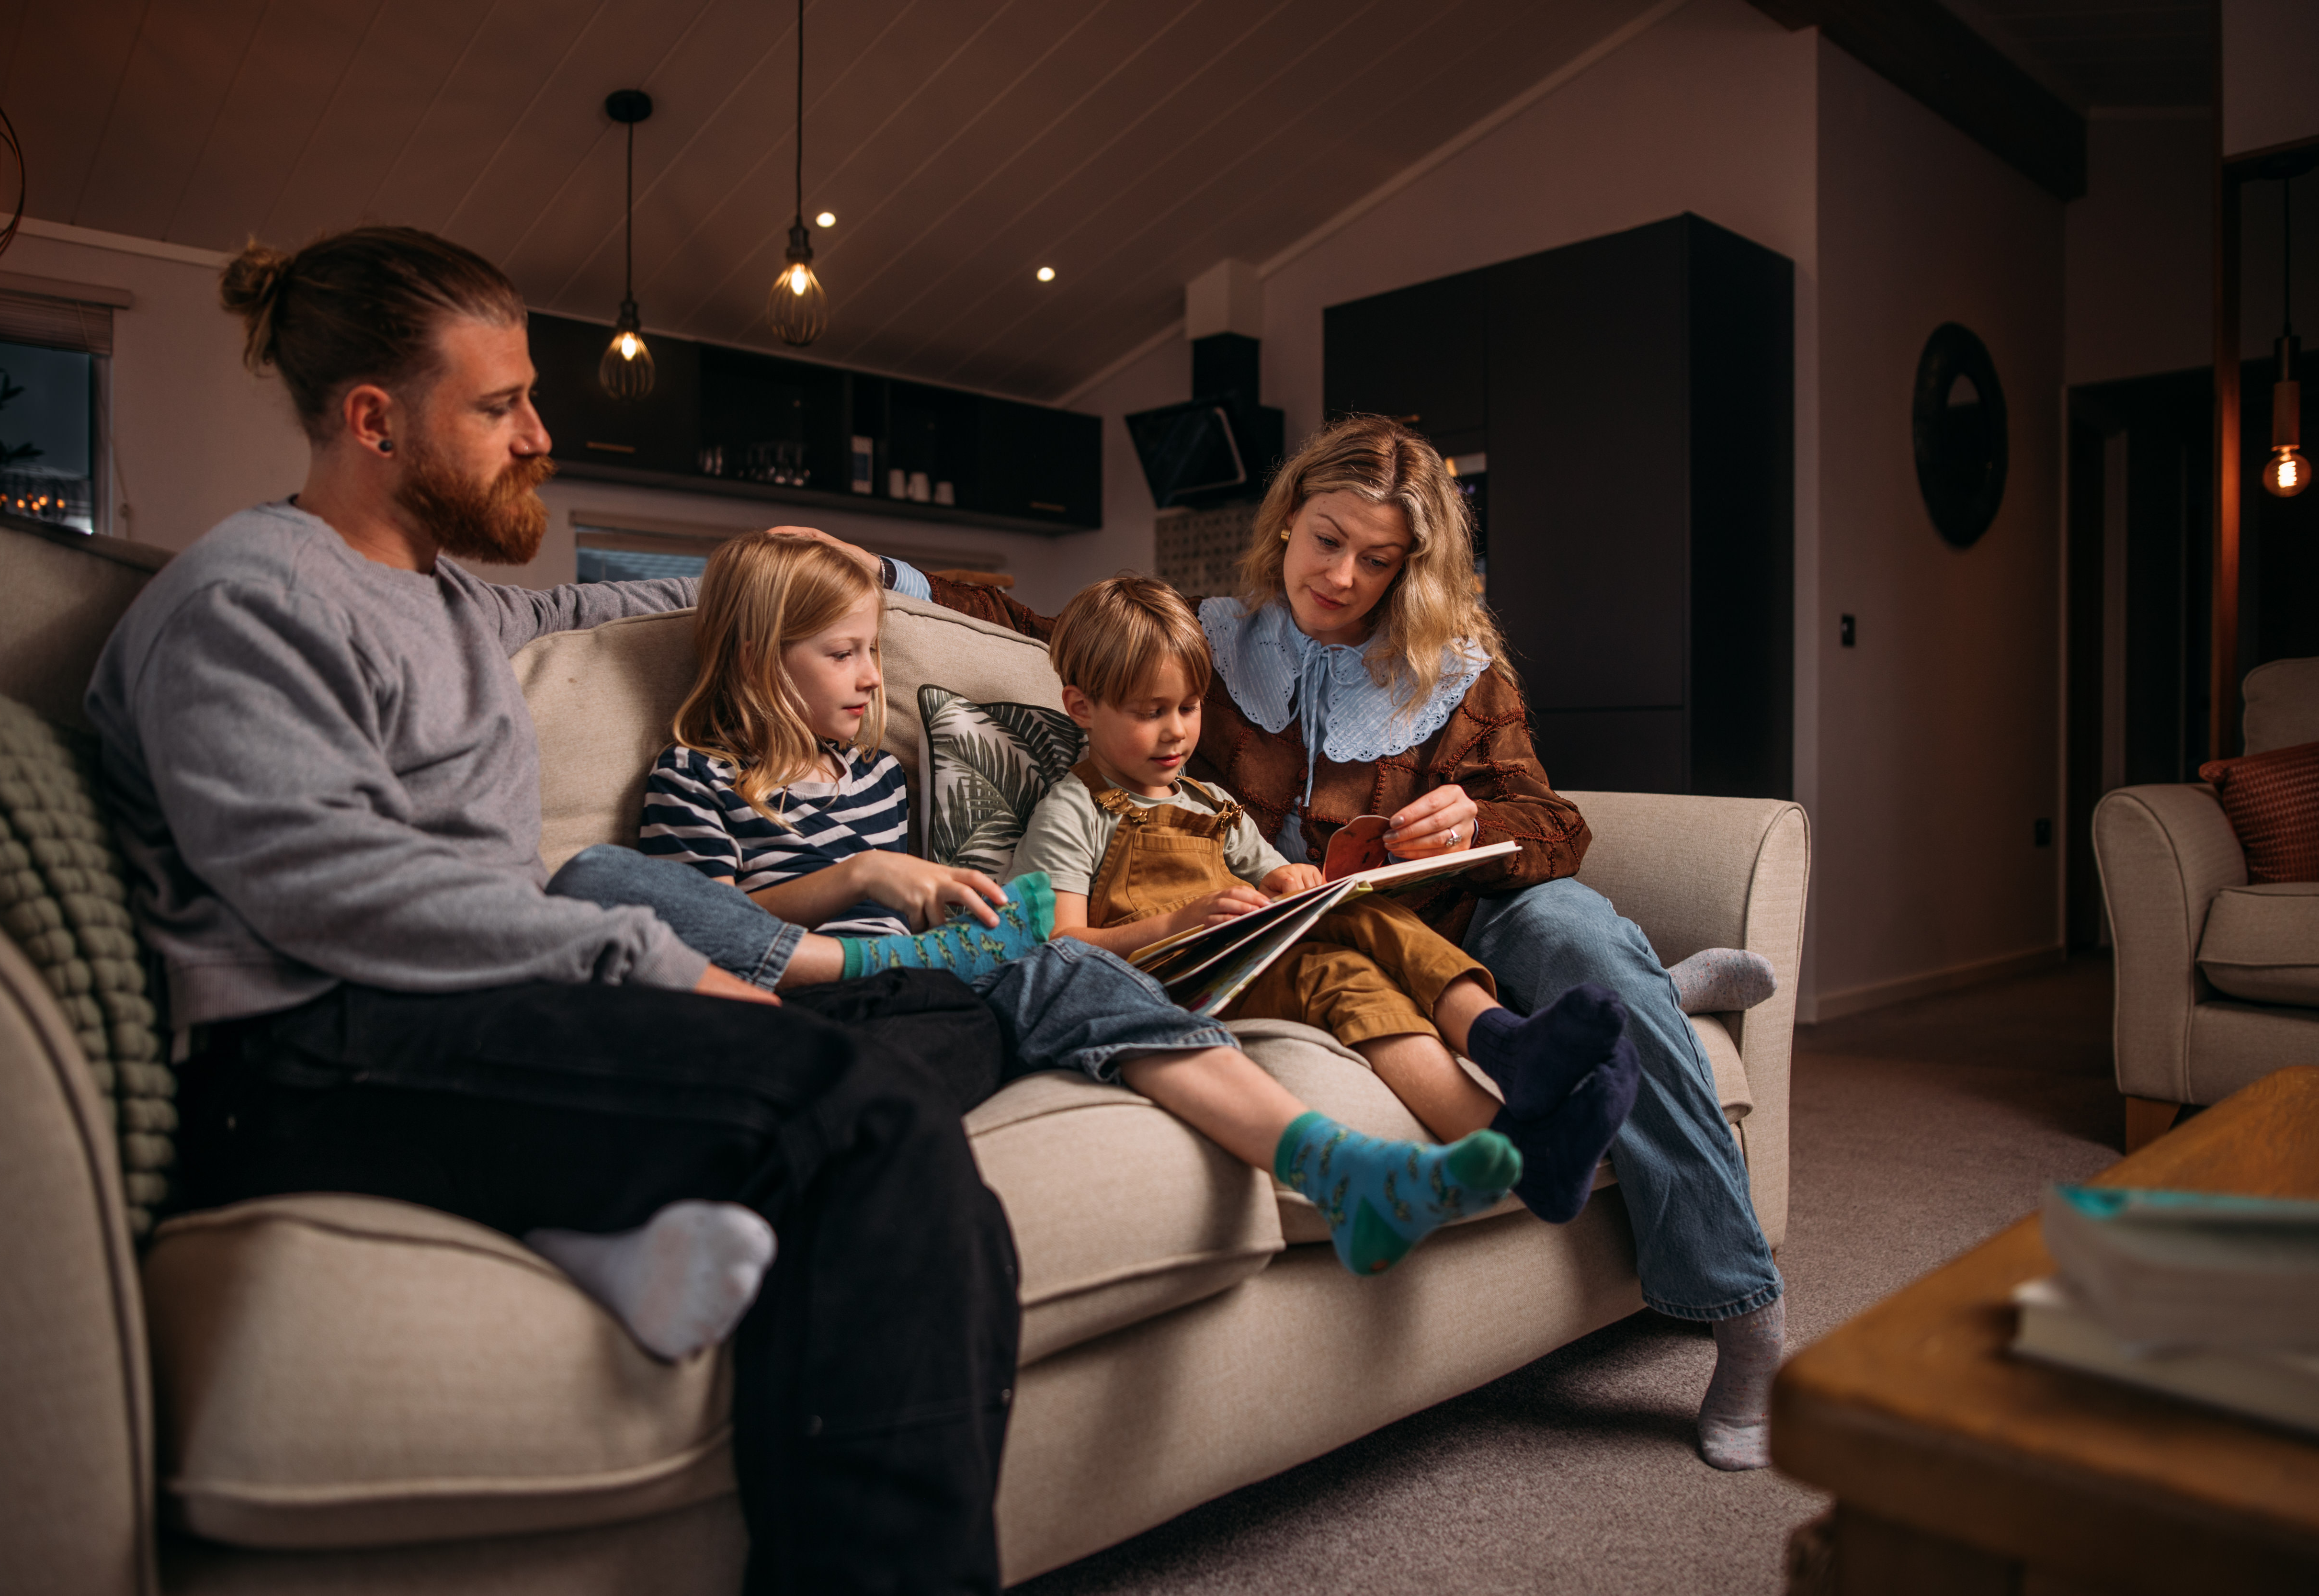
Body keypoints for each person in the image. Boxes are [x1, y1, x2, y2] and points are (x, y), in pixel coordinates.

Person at [86, 225, 1017, 1593]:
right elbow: (329, 887)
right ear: (373, 420)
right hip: (320, 1046)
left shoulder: (450, 594)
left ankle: (656, 1196)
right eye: (500, 404)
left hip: (469, 1014)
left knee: (952, 1009)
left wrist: (868, 581)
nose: (540, 432)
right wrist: (643, 958)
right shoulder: (247, 599)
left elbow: (629, 598)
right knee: (873, 1123)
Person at [809, 415, 1788, 1472]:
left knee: (1580, 933)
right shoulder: (1213, 644)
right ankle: (1663, 992)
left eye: (1380, 559)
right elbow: (1038, 624)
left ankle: (1740, 1316)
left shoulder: (1459, 670)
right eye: (1328, 539)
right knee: (1605, 982)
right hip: (1284, 929)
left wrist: (1469, 820)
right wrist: (881, 568)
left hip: (1461, 917)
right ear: (1286, 521)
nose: (1344, 575)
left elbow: (1553, 824)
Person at [546, 528, 1568, 1279]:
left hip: (924, 978)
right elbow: (709, 923)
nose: (872, 675)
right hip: (806, 993)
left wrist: (980, 908)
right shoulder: (696, 777)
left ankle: (1338, 1169)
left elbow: (955, 912)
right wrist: (860, 882)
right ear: (759, 660)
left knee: (1062, 964)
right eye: (844, 653)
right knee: (642, 893)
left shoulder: (870, 778)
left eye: (872, 648)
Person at [1011, 573, 1639, 1228]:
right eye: (1150, 712)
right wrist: (1182, 921)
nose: (1176, 733)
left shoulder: (1210, 802)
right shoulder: (1074, 810)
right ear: (1081, 707)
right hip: (1177, 979)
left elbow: (1276, 873)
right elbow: (1059, 947)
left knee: (1361, 910)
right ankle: (1522, 1139)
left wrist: (1294, 883)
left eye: (1189, 707)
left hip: (1249, 952)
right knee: (1330, 973)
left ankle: (1503, 1048)